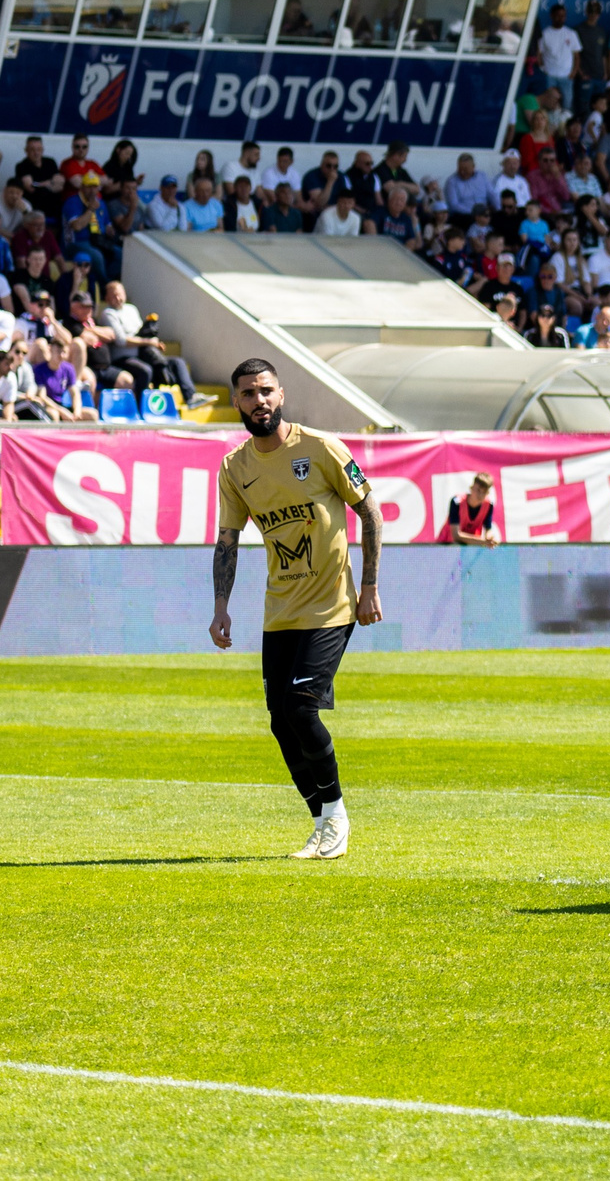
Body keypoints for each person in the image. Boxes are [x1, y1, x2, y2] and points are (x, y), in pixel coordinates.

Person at [208, 358, 384, 861]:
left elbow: (369, 510)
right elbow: (228, 541)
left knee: (300, 708)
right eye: (248, 393)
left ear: (281, 394)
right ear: (236, 401)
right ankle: (323, 820)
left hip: (331, 605)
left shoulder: (321, 448)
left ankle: (337, 817)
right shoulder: (234, 468)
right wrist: (220, 606)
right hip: (279, 611)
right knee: (279, 721)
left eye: (266, 391)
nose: (258, 400)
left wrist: (368, 585)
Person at [445, 471, 499, 544]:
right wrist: (483, 542)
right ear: (471, 487)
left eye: (484, 492)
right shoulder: (457, 502)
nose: (480, 494)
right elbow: (456, 535)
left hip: (470, 548)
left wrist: (490, 538)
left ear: (487, 493)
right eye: (478, 490)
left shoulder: (489, 505)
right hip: (447, 546)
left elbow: (488, 530)